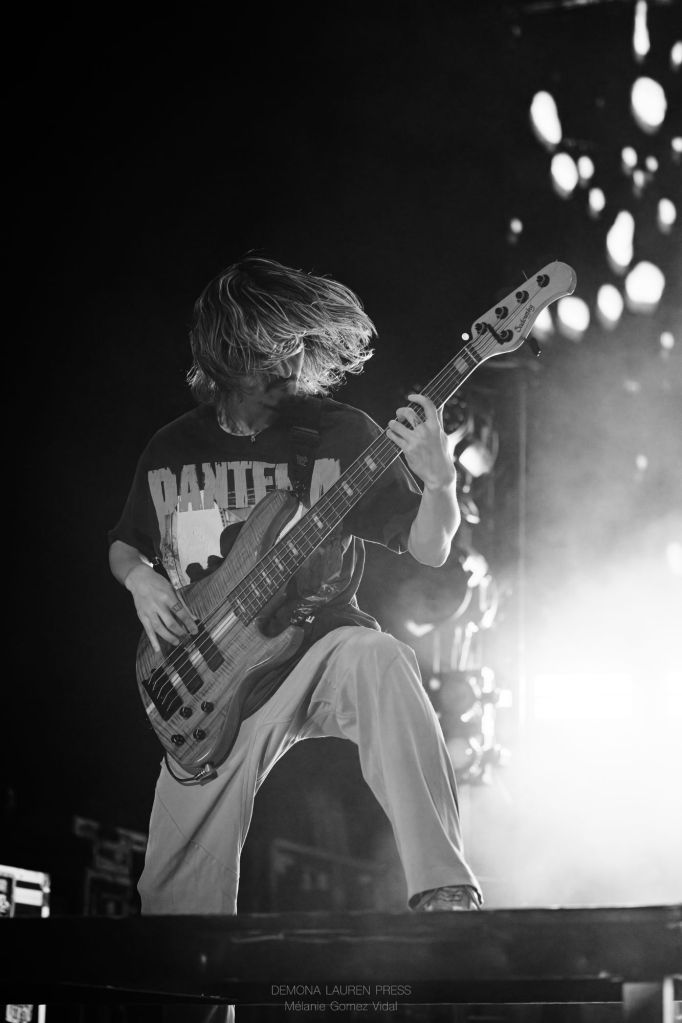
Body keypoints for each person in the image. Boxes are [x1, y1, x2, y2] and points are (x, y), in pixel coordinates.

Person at [108, 255, 482, 924]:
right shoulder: (171, 447)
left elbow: (430, 548)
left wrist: (441, 482)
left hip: (318, 649)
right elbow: (124, 542)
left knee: (381, 659)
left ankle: (444, 893)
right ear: (228, 353)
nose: (288, 364)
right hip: (206, 682)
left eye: (294, 346)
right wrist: (139, 578)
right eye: (269, 350)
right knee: (173, 920)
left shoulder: (340, 432)